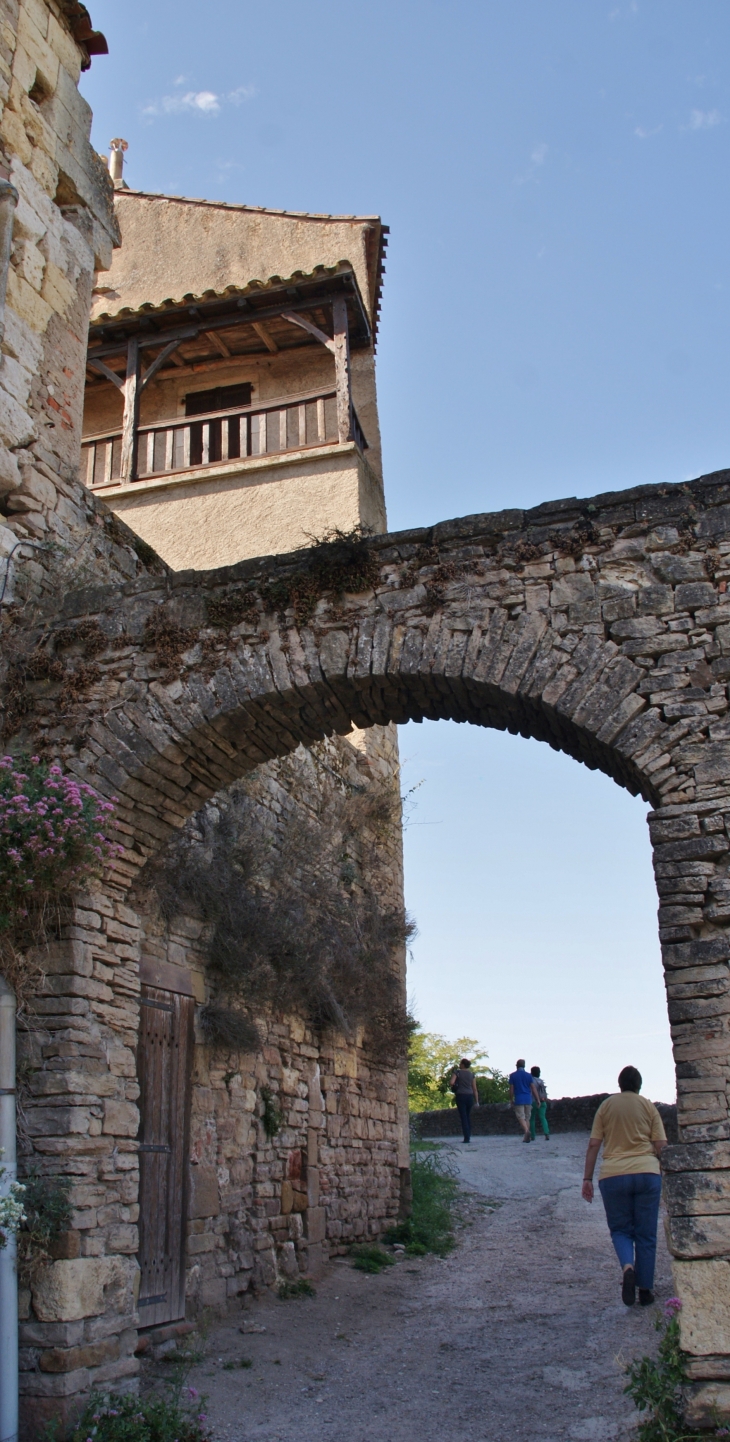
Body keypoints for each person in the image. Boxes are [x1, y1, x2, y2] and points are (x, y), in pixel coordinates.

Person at [581, 1065, 666, 1307]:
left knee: (620, 1230)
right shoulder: (648, 1106)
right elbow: (661, 1145)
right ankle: (646, 1291)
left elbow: (594, 1144)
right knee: (646, 1234)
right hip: (647, 1173)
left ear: (619, 1085)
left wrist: (587, 1179)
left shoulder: (606, 1106)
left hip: (613, 1175)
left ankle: (628, 1266)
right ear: (639, 1085)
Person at [450, 1057, 479, 1143]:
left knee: (463, 1117)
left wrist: (456, 1086)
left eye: (460, 1063)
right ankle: (468, 1134)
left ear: (462, 1065)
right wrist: (477, 1101)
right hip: (469, 1096)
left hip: (461, 1095)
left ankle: (466, 1137)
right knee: (468, 1115)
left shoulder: (457, 1072)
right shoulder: (471, 1074)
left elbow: (451, 1082)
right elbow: (475, 1089)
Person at [509, 1059, 535, 1142]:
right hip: (528, 1099)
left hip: (519, 1099)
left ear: (516, 1065)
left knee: (521, 1117)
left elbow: (512, 1089)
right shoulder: (529, 1075)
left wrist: (511, 1099)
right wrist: (537, 1099)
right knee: (527, 1118)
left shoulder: (513, 1075)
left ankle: (526, 1131)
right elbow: (533, 1088)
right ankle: (526, 1135)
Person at [530, 1065, 550, 1141]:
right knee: (543, 1118)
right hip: (543, 1101)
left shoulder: (531, 1081)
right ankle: (546, 1133)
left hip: (533, 1101)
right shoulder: (541, 1081)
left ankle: (533, 1135)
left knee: (532, 1119)